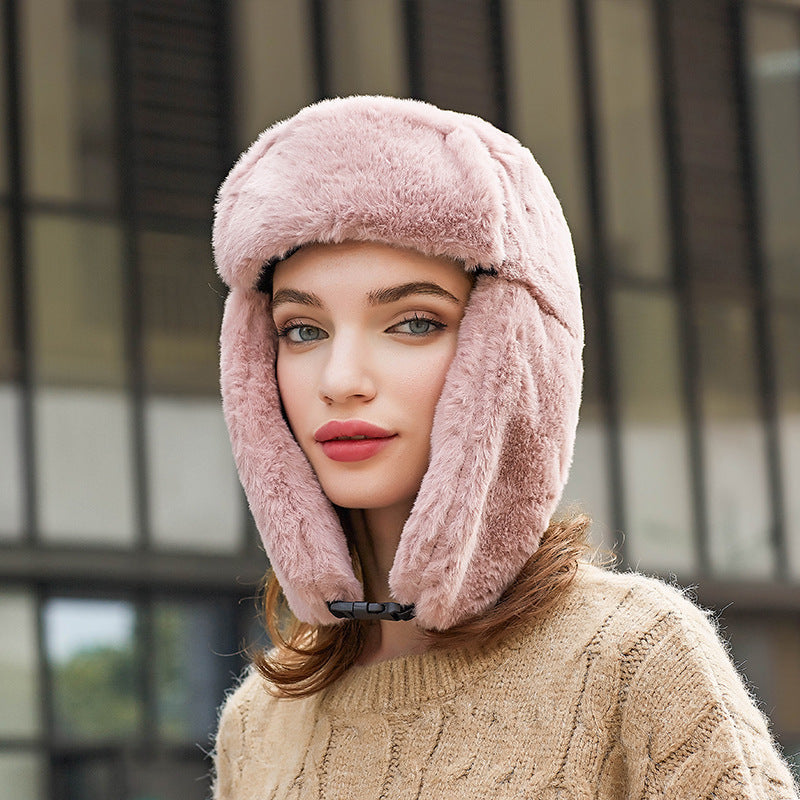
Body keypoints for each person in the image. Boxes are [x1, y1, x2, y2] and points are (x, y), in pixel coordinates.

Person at [211, 96, 798, 799]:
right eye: (302, 331)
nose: (341, 381)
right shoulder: (258, 724)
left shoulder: (634, 656)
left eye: (414, 322)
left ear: (513, 349)